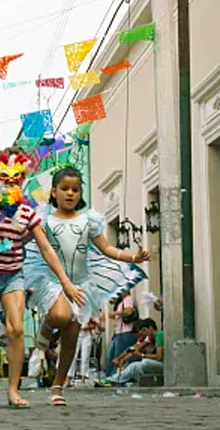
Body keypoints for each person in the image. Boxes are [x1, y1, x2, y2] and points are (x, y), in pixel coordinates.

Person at [23, 167, 149, 406]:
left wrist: (133, 257)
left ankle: (58, 387)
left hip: (82, 283)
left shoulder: (88, 220)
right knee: (61, 314)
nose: (70, 194)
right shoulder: (45, 219)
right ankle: (47, 326)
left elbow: (107, 249)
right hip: (53, 281)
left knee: (71, 336)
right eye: (64, 189)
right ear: (53, 192)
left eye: (75, 189)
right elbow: (35, 245)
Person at [0, 147, 81, 409]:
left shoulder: (28, 213)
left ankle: (12, 390)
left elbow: (46, 249)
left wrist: (65, 281)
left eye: (15, 178)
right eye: (4, 177)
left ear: (22, 179)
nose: (10, 183)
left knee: (16, 329)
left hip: (12, 275)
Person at [99, 318, 164, 386]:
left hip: (163, 365)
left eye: (145, 331)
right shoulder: (148, 338)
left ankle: (111, 380)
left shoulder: (159, 335)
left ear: (150, 328)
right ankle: (117, 380)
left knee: (143, 362)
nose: (144, 334)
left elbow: (159, 356)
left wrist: (142, 355)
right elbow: (133, 349)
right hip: (156, 365)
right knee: (136, 367)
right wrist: (122, 359)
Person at [106, 292, 139, 377]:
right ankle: (111, 376)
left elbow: (128, 311)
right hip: (119, 333)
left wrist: (116, 313)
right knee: (111, 356)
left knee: (117, 356)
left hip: (125, 332)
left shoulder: (127, 299)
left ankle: (114, 376)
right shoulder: (121, 302)